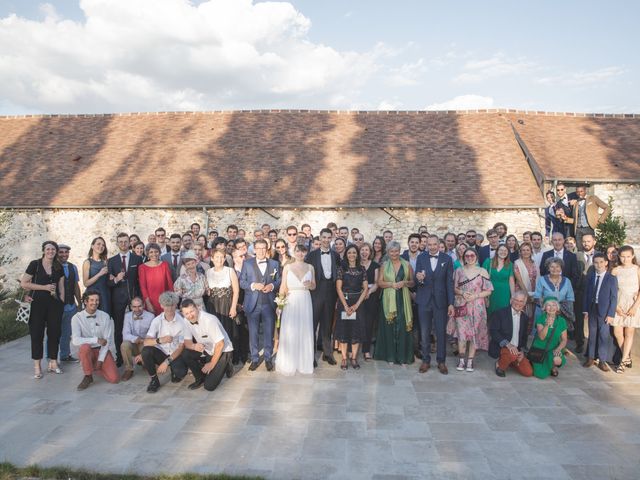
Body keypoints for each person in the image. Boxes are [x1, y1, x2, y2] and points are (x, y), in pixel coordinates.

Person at [21, 240, 66, 379]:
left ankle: (53, 362)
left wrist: (62, 302)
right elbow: (24, 283)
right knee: (36, 335)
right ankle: (37, 366)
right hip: (37, 305)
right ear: (43, 250)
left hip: (54, 305)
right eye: (48, 249)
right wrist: (44, 287)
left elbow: (61, 286)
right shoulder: (35, 264)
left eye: (53, 249)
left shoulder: (58, 266)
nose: (50, 251)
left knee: (54, 333)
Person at [239, 239, 281, 371]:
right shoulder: (247, 263)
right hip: (252, 303)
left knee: (269, 332)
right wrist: (253, 285)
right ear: (254, 250)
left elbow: (279, 280)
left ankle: (268, 358)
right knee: (253, 333)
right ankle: (255, 358)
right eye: (259, 248)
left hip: (269, 303)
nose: (261, 251)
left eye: (264, 248)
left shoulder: (274, 263)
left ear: (267, 249)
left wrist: (272, 285)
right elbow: (242, 282)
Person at [415, 235, 455, 374]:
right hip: (424, 300)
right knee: (425, 333)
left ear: (439, 245)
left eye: (434, 244)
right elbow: (417, 278)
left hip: (441, 302)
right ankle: (426, 361)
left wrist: (451, 303)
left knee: (440, 333)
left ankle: (441, 361)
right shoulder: (421, 258)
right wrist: (419, 279)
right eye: (429, 245)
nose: (431, 247)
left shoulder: (447, 259)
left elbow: (449, 283)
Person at [450, 248, 492, 372]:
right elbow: (454, 288)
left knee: (474, 333)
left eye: (472, 255)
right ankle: (462, 360)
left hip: (477, 306)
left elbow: (488, 290)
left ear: (476, 257)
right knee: (462, 333)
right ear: (463, 257)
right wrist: (462, 293)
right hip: (462, 305)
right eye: (466, 256)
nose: (469, 257)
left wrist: (476, 296)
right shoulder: (458, 271)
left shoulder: (482, 271)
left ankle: (470, 361)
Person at [179, 299, 235, 391]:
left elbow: (220, 344)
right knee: (186, 353)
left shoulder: (209, 320)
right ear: (183, 314)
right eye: (186, 313)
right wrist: (194, 346)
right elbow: (187, 343)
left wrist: (212, 364)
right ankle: (199, 379)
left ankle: (228, 364)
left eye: (191, 311)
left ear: (197, 308)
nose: (190, 315)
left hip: (223, 350)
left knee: (209, 386)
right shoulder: (185, 321)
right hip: (207, 349)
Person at [277, 244, 316, 376]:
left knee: (304, 330)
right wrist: (280, 305)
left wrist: (310, 284)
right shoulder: (287, 267)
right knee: (290, 330)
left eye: (303, 251)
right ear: (294, 252)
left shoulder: (310, 267)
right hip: (291, 300)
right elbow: (283, 286)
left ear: (306, 253)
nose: (300, 254)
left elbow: (314, 286)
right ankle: (289, 362)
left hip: (305, 299)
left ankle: (303, 362)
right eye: (298, 251)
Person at [375, 241, 415, 365]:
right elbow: (379, 283)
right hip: (388, 300)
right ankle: (390, 356)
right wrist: (392, 284)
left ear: (399, 251)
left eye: (396, 251)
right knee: (389, 327)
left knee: (403, 327)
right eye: (391, 251)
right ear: (388, 252)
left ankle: (403, 357)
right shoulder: (384, 265)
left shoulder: (407, 264)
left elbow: (412, 282)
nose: (394, 253)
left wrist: (404, 283)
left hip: (403, 299)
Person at [141, 291, 189, 393]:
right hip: (161, 352)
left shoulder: (182, 322)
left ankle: (173, 370)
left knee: (181, 373)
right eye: (167, 305)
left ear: (176, 305)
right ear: (162, 305)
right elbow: (146, 342)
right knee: (146, 351)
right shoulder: (157, 320)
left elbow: (181, 347)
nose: (170, 308)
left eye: (172, 305)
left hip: (176, 354)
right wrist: (160, 340)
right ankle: (154, 380)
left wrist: (166, 363)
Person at [305, 228, 340, 366]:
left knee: (327, 325)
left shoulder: (336, 255)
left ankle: (327, 354)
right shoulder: (312, 255)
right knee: (312, 325)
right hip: (315, 293)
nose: (326, 240)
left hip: (330, 293)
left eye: (328, 237)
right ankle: (310, 356)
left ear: (331, 238)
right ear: (319, 238)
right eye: (323, 237)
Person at [107, 232, 143, 366]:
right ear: (117, 244)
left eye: (125, 241)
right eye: (120, 242)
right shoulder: (112, 261)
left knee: (137, 327)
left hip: (134, 299)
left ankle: (139, 356)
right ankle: (120, 357)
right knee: (119, 329)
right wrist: (116, 279)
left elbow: (139, 280)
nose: (123, 244)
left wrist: (139, 298)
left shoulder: (137, 259)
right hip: (118, 300)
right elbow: (108, 283)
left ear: (130, 243)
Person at [71, 290, 119, 390]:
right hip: (87, 350)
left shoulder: (105, 316)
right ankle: (88, 376)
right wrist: (95, 339)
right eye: (92, 300)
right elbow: (75, 340)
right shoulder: (77, 318)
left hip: (102, 349)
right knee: (84, 348)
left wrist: (101, 360)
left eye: (97, 300)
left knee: (114, 379)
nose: (95, 302)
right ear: (85, 301)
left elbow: (107, 341)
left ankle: (95, 366)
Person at [335, 245, 368, 370]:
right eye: (349, 252)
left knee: (356, 330)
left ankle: (353, 357)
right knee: (344, 330)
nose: (352, 255)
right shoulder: (341, 268)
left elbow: (365, 289)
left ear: (357, 254)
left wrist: (356, 306)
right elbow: (338, 288)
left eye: (354, 252)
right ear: (346, 254)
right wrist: (345, 305)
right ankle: (344, 358)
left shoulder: (362, 269)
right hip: (345, 302)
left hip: (358, 303)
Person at [489, 292, 533, 378]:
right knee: (512, 354)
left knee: (528, 372)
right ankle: (499, 366)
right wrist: (508, 344)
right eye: (516, 300)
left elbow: (524, 337)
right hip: (502, 346)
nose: (518, 303)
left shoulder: (525, 318)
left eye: (521, 301)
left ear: (524, 303)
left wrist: (522, 352)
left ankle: (511, 360)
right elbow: (493, 331)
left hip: (516, 349)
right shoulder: (500, 313)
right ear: (511, 300)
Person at [610, 246, 638, 373]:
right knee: (617, 332)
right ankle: (627, 357)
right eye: (623, 256)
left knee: (629, 333)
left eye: (628, 256)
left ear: (632, 256)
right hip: (619, 304)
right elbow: (610, 291)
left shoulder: (637, 269)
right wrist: (615, 307)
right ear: (619, 256)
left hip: (633, 304)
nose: (625, 259)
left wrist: (635, 306)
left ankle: (622, 361)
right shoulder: (615, 271)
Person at [531, 297, 568, 379]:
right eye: (548, 305)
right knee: (539, 374)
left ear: (557, 307)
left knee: (557, 359)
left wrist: (558, 349)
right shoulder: (541, 319)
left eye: (554, 305)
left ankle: (553, 366)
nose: (551, 308)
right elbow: (541, 337)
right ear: (544, 308)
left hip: (553, 349)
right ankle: (546, 365)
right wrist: (547, 325)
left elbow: (564, 340)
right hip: (539, 350)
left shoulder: (561, 321)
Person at [57, 244, 82, 363]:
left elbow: (76, 286)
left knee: (67, 333)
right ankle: (50, 358)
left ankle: (65, 355)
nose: (64, 254)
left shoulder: (73, 267)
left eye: (66, 252)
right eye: (61, 252)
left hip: (70, 305)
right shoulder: (52, 267)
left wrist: (79, 302)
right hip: (55, 306)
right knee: (53, 333)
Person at [206, 250, 240, 337]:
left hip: (227, 304)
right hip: (213, 305)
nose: (219, 259)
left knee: (227, 329)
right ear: (212, 259)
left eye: (221, 257)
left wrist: (233, 307)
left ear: (225, 259)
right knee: (214, 329)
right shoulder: (208, 272)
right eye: (217, 257)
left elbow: (236, 291)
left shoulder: (230, 271)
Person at [534, 257, 575, 328]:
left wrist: (560, 309)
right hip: (545, 312)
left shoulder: (567, 281)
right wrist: (548, 309)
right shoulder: (542, 280)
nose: (555, 269)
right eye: (552, 267)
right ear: (548, 268)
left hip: (562, 312)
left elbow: (570, 298)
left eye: (557, 266)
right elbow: (537, 297)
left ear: (561, 268)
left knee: (559, 334)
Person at [120, 296, 154, 381]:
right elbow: (125, 334)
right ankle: (129, 369)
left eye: (139, 306)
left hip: (145, 344)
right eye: (134, 307)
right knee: (124, 345)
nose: (137, 309)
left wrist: (143, 341)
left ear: (144, 305)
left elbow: (153, 335)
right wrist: (135, 339)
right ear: (131, 307)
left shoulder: (151, 316)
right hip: (134, 343)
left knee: (147, 365)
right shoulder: (127, 316)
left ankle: (145, 363)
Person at [569, 185, 611, 250]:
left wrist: (600, 220)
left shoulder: (593, 198)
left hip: (589, 227)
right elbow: (576, 219)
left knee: (590, 248)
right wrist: (565, 218)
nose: (579, 193)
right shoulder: (576, 202)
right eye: (577, 192)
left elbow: (607, 208)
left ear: (585, 191)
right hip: (578, 229)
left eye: (581, 191)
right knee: (580, 248)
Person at [138, 243, 174, 315]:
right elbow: (143, 287)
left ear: (159, 253)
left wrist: (171, 300)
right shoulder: (142, 267)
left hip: (164, 300)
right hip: (150, 301)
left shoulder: (165, 265)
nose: (154, 254)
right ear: (147, 254)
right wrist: (148, 303)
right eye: (151, 252)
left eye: (156, 251)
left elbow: (170, 283)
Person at [359, 243, 379, 360]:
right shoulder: (356, 265)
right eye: (362, 250)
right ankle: (353, 348)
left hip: (370, 297)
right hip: (357, 296)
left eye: (366, 250)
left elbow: (377, 282)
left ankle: (366, 350)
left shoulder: (375, 265)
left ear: (370, 252)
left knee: (368, 324)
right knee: (357, 322)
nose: (364, 252)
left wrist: (368, 292)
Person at [483, 244, 515, 315]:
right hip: (490, 292)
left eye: (505, 251)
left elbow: (511, 281)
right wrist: (485, 297)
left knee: (503, 314)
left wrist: (513, 296)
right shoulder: (488, 262)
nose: (503, 252)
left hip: (504, 293)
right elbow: (483, 280)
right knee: (490, 314)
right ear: (497, 251)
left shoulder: (510, 265)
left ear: (508, 253)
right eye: (501, 250)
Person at [513, 241, 539, 327]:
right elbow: (519, 280)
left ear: (531, 251)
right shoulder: (517, 263)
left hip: (534, 292)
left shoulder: (535, 262)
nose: (525, 252)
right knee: (521, 313)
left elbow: (538, 277)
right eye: (523, 250)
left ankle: (528, 335)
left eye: (527, 250)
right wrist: (526, 295)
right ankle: (520, 334)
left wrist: (535, 293)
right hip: (521, 291)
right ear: (520, 252)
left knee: (531, 315)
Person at [82, 237, 111, 315]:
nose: (101, 246)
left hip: (105, 295)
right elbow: (86, 283)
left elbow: (107, 280)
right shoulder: (88, 262)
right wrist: (99, 274)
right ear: (92, 246)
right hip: (92, 296)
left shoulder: (106, 262)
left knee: (104, 319)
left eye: (103, 245)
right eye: (98, 244)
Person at [231, 249, 250, 365]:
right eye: (240, 256)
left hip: (247, 304)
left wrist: (245, 304)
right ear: (234, 258)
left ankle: (245, 355)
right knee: (234, 331)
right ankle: (235, 355)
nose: (243, 258)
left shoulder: (249, 270)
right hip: (234, 305)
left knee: (245, 331)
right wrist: (235, 304)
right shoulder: (230, 271)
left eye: (244, 256)